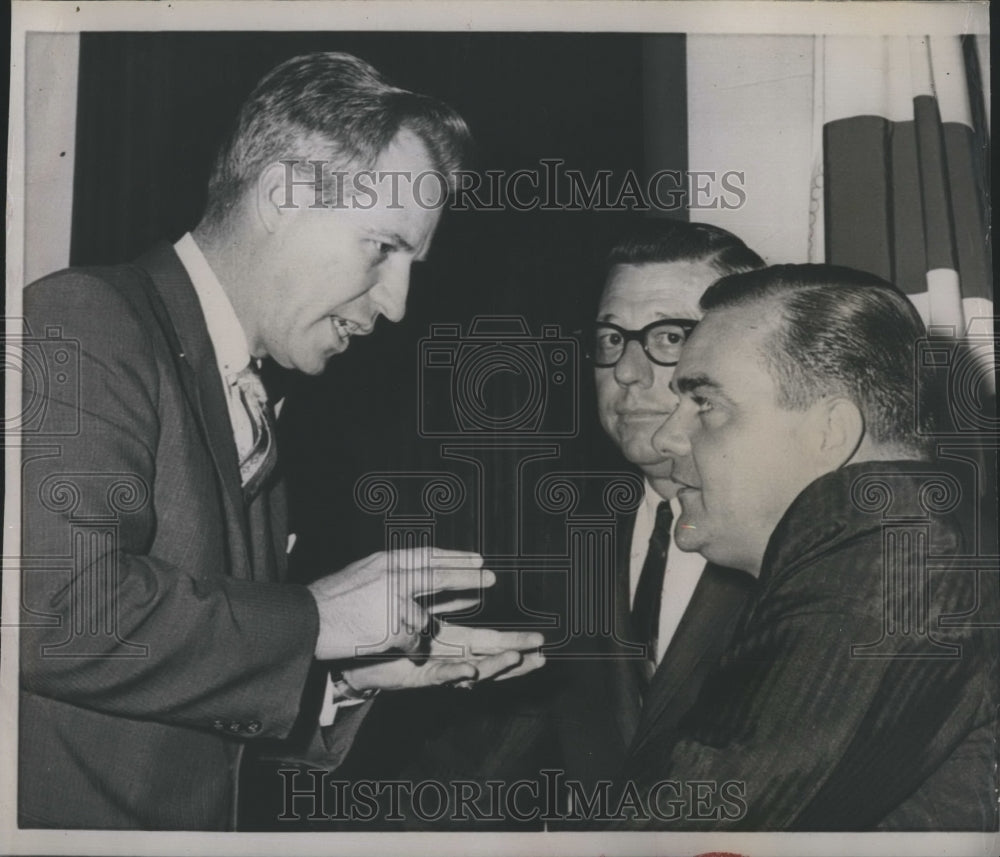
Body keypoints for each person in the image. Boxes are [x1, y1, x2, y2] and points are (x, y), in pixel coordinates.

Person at [19, 51, 543, 831]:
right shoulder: (85, 318)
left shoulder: (251, 394)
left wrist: (345, 675)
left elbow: (189, 706)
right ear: (280, 195)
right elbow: (50, 611)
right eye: (383, 247)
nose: (398, 303)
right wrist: (317, 621)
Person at [617, 264, 997, 830]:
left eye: (705, 403)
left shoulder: (891, 561)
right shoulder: (913, 541)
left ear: (830, 433)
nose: (665, 438)